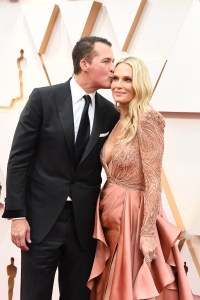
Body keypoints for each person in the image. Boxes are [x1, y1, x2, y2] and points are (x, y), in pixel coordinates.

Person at [2, 36, 119, 300]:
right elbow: (18, 160)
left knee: (78, 296)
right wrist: (17, 216)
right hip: (39, 222)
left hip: (84, 224)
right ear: (85, 63)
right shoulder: (43, 99)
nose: (113, 67)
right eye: (107, 61)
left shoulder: (110, 113)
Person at [87, 57, 194, 299]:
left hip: (133, 216)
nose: (118, 84)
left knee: (129, 286)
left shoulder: (148, 119)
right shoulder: (118, 118)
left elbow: (154, 180)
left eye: (127, 79)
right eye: (115, 78)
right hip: (108, 213)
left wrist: (146, 233)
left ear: (141, 84)